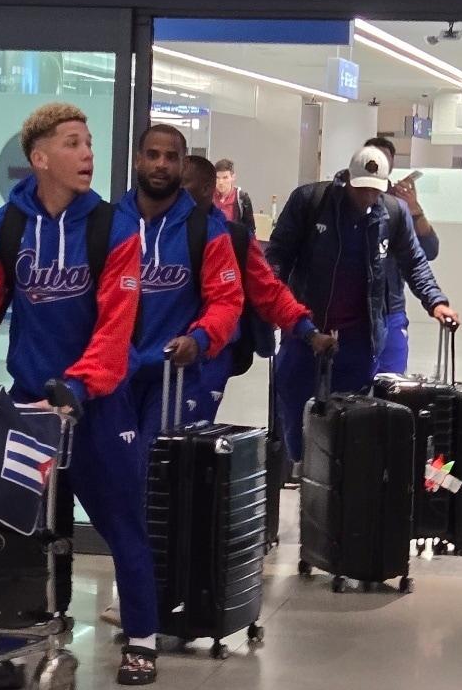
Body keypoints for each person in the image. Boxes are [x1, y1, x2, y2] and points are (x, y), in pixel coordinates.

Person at [0, 102, 159, 686]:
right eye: (72, 143)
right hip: (32, 406)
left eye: (88, 142)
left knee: (121, 523)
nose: (87, 152)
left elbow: (116, 328)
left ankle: (142, 637)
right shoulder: (1, 229)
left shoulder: (114, 229)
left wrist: (81, 387)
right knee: (21, 529)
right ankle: (15, 640)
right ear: (39, 158)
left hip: (101, 402)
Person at [268, 143, 459, 462]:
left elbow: (415, 262)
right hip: (304, 331)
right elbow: (277, 256)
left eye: (376, 191)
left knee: (351, 420)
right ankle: (301, 465)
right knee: (293, 404)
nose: (368, 197)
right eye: (362, 190)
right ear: (348, 180)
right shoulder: (310, 201)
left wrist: (435, 301)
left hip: (358, 337)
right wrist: (273, 305)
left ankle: (338, 483)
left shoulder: (393, 213)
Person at [116, 125, 244, 476]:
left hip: (173, 378)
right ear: (138, 160)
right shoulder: (110, 225)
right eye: (153, 155)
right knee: (115, 478)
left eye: (171, 157)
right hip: (114, 378)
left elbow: (227, 301)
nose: (161, 164)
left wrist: (199, 339)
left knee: (154, 476)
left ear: (182, 164)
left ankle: (152, 534)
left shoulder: (206, 231)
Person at [182, 154, 336, 422]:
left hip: (209, 359)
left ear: (206, 189)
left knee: (181, 444)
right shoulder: (141, 231)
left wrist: (309, 333)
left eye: (183, 185)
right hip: (152, 359)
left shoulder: (234, 238)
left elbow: (270, 292)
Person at [366, 135, 439, 374]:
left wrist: (415, 209)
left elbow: (429, 250)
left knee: (392, 381)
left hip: (392, 310)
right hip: (355, 314)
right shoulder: (348, 202)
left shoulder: (398, 207)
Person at [214, 158, 256, 234]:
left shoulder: (242, 199)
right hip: (214, 242)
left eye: (225, 178)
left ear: (233, 177)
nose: (220, 182)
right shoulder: (208, 197)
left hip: (233, 243)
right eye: (217, 178)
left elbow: (250, 230)